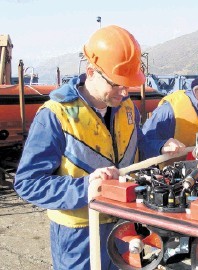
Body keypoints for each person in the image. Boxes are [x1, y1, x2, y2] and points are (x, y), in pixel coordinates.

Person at [14, 25, 180, 270]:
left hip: (122, 228)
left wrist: (160, 148)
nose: (124, 92)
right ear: (91, 72)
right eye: (117, 84)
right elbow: (28, 183)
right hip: (78, 236)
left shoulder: (126, 108)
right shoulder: (55, 116)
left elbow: (137, 147)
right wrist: (87, 187)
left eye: (128, 84)